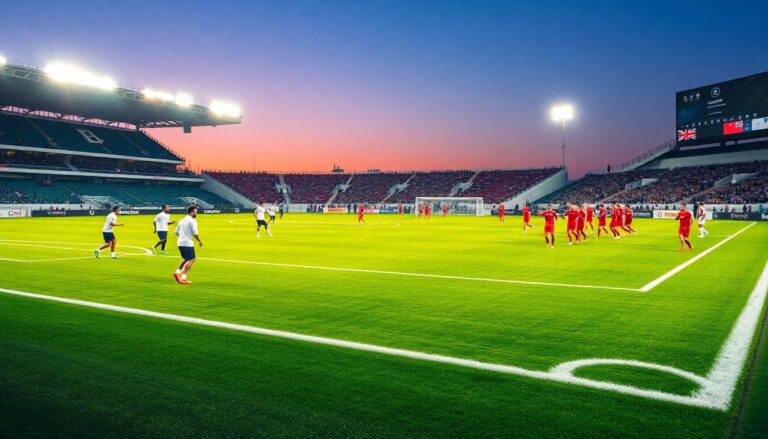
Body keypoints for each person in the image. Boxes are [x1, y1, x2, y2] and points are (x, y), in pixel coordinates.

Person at [173, 206, 203, 284]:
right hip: (188, 243)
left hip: (180, 242)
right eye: (195, 211)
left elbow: (176, 232)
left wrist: (182, 236)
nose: (196, 213)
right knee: (192, 259)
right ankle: (183, 277)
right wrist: (199, 241)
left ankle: (177, 271)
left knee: (185, 258)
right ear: (191, 212)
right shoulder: (192, 221)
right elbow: (195, 233)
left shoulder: (181, 220)